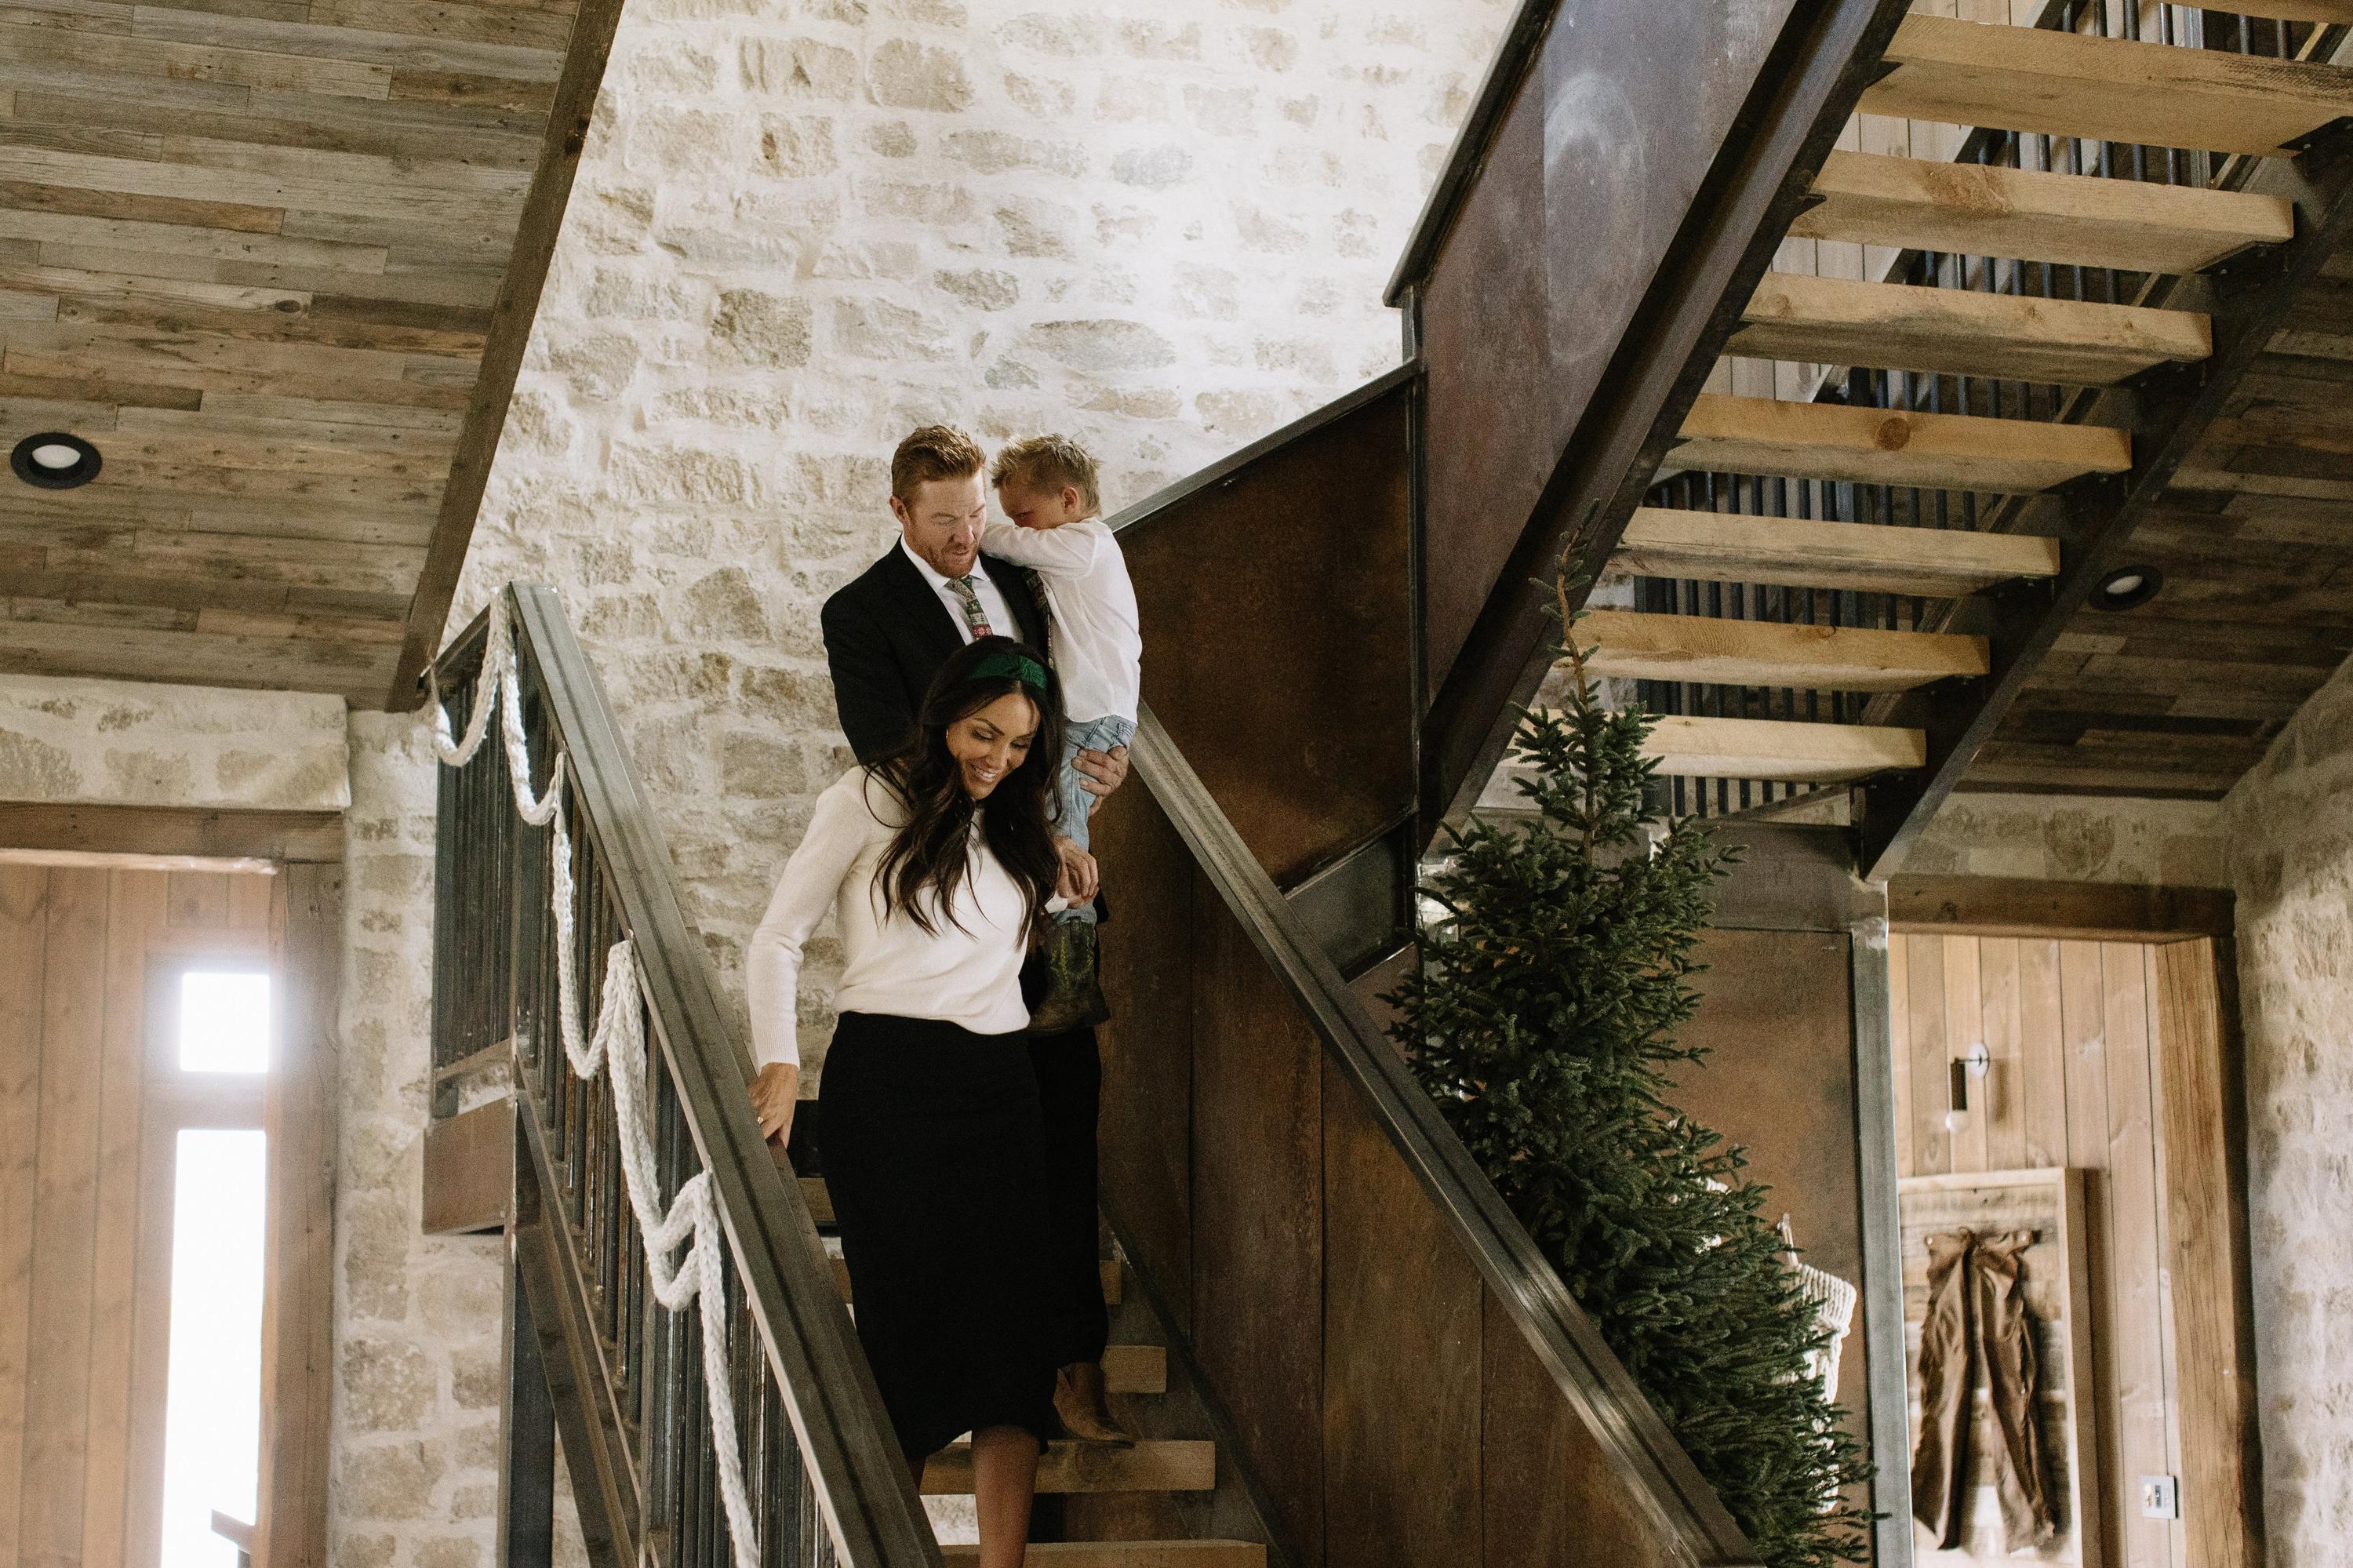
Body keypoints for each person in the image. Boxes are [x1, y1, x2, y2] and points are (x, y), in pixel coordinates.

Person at [744, 637, 1093, 1568]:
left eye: (1020, 745)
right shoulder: (864, 799)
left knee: (1014, 1356)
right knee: (907, 1350)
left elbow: (991, 944)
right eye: (986, 734)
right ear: (944, 716)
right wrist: (779, 1061)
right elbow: (777, 939)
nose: (999, 758)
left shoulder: (1021, 820)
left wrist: (1049, 857)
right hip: (889, 1089)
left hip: (1000, 1092)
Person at [820, 424, 1132, 1446]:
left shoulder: (1023, 573)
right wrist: (1022, 824)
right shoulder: (861, 614)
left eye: (973, 515)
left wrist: (1105, 757)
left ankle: (1072, 1365)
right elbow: (892, 758)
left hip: (1049, 911)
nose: (965, 537)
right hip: (942, 924)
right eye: (944, 519)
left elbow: (1086, 665)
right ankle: (936, 1391)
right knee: (958, 1173)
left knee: (1064, 1125)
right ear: (901, 511)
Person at [984, 435, 1140, 1033]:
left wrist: (976, 529)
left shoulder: (1085, 543)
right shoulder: (1082, 551)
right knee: (1058, 813)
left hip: (1093, 714)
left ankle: (1074, 977)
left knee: (1065, 826)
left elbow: (1009, 544)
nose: (1016, 526)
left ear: (1069, 499)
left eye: (1024, 512)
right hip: (1098, 711)